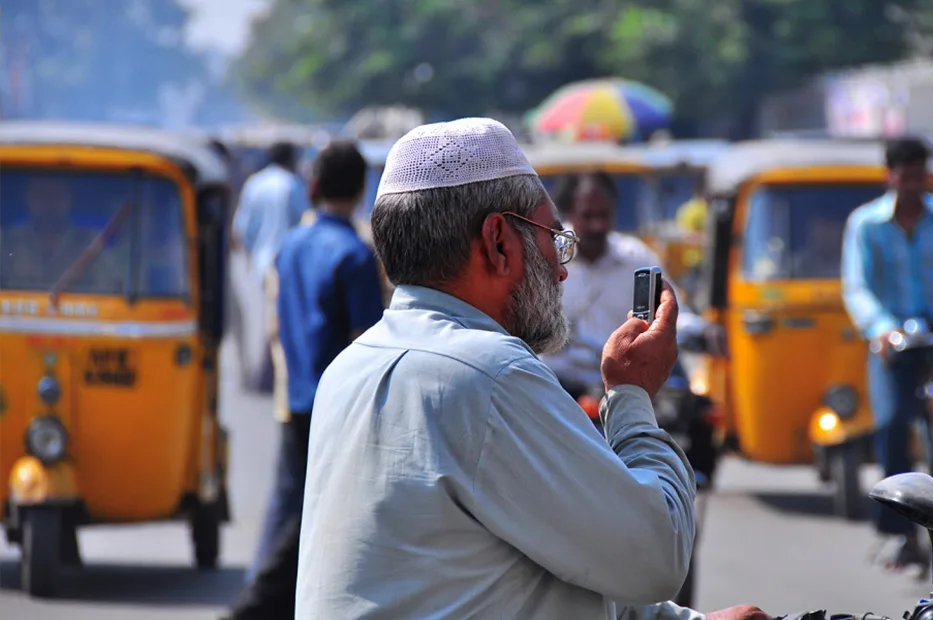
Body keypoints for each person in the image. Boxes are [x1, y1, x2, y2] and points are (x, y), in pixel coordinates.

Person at [295, 118, 768, 620]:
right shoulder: (487, 374)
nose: (562, 268)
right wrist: (631, 397)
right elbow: (655, 557)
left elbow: (513, 574)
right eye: (551, 238)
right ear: (499, 241)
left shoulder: (348, 369)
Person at [222, 140, 385, 620]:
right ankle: (256, 606)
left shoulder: (290, 246)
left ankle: (263, 593)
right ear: (360, 191)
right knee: (315, 513)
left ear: (313, 186)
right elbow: (366, 342)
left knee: (288, 503)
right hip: (336, 405)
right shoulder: (355, 255)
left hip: (293, 394)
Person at [842, 137, 933, 570]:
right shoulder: (865, 224)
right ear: (890, 176)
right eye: (904, 177)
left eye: (920, 176)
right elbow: (857, 286)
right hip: (892, 339)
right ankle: (899, 533)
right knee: (889, 423)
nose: (912, 186)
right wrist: (881, 329)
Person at [542, 172, 704, 398]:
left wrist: (702, 330)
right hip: (560, 390)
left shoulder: (636, 258)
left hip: (625, 387)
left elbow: (672, 316)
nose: (597, 225)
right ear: (569, 214)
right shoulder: (548, 257)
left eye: (603, 215)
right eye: (588, 216)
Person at [1, 176, 122, 292]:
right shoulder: (6, 242)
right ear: (28, 197)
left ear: (70, 198)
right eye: (41, 194)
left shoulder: (92, 244)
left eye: (56, 194)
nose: (49, 202)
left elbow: (113, 289)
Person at [230, 141, 311, 280]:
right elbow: (306, 220)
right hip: (286, 263)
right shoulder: (292, 183)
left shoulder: (254, 183)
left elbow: (242, 227)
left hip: (259, 261)